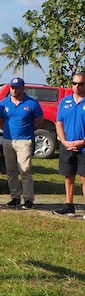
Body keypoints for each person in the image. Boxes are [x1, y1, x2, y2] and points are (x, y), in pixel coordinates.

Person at [0, 77, 43, 209]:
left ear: (23, 88)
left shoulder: (32, 103)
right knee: (11, 170)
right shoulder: (3, 104)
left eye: (17, 87)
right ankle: (15, 197)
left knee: (25, 170)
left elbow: (39, 121)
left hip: (25, 140)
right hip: (8, 140)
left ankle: (28, 199)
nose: (14, 90)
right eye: (12, 87)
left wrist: (27, 130)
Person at [53, 72, 85, 216]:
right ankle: (69, 206)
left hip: (83, 146)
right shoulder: (65, 102)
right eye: (74, 83)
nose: (77, 86)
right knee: (69, 176)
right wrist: (64, 142)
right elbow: (59, 123)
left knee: (84, 177)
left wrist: (82, 142)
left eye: (80, 84)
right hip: (67, 146)